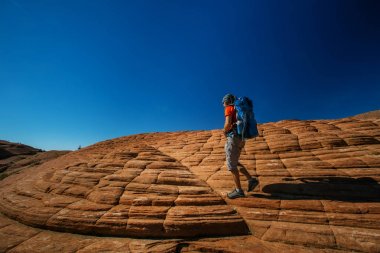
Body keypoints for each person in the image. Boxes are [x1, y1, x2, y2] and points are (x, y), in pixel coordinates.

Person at [222, 94, 258, 199]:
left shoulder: (229, 108)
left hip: (233, 138)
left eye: (223, 102)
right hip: (242, 138)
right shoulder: (238, 108)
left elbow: (228, 123)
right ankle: (251, 180)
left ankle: (239, 190)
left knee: (231, 166)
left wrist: (224, 132)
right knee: (236, 162)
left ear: (227, 101)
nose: (223, 104)